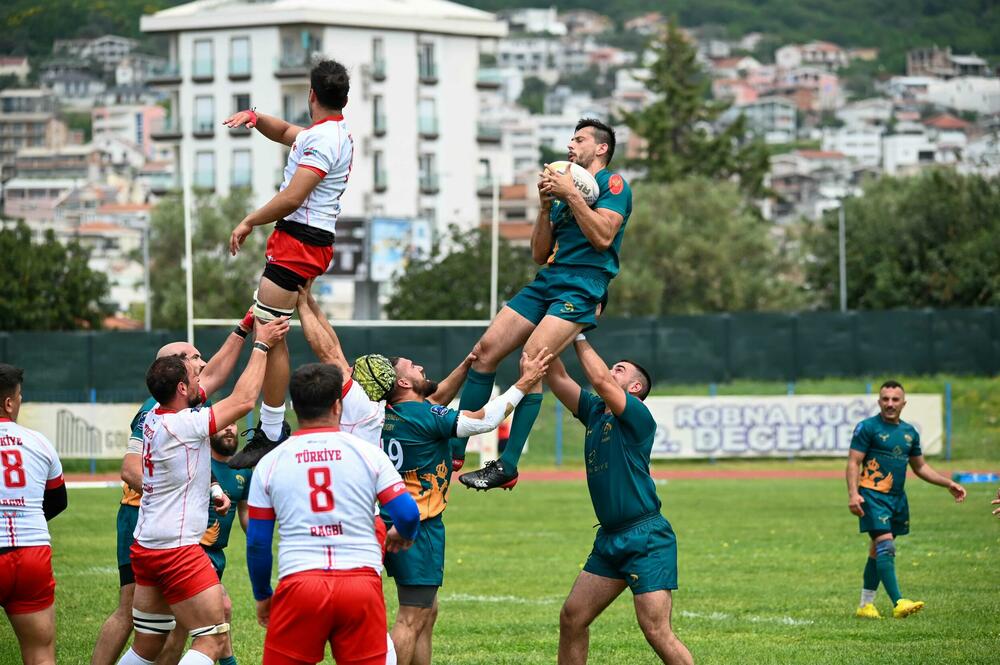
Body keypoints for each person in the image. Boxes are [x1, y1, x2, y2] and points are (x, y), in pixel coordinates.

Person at [456, 118, 632, 491]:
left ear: (601, 148)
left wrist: (569, 194)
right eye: (570, 139)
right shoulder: (564, 190)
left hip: (582, 285)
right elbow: (539, 254)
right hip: (548, 280)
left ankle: (508, 463)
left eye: (579, 139)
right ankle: (454, 447)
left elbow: (603, 237)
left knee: (532, 358)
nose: (571, 145)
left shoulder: (612, 184)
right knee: (483, 351)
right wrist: (543, 206)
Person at [115, 316, 289, 665]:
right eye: (194, 376)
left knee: (147, 645)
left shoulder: (152, 418)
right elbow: (242, 400)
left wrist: (243, 328)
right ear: (181, 388)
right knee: (212, 638)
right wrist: (261, 344)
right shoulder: (185, 423)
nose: (202, 377)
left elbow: (212, 380)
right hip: (176, 549)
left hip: (147, 545)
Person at [222, 59, 354, 469]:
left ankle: (272, 430)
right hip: (305, 240)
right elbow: (284, 132)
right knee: (273, 328)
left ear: (311, 95)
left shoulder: (321, 142)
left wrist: (248, 220)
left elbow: (294, 197)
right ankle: (273, 427)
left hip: (300, 240)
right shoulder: (329, 133)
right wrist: (256, 117)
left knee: (271, 332)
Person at [382, 348, 552, 665]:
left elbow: (438, 396)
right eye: (412, 365)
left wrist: (464, 368)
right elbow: (484, 420)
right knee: (411, 618)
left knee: (427, 612)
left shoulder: (391, 413)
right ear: (404, 382)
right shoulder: (425, 416)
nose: (419, 364)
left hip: (389, 518)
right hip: (417, 526)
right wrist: (526, 381)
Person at [245, 363, 421, 665]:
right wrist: (403, 533)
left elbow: (258, 542)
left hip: (300, 584)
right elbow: (407, 513)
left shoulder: (271, 462)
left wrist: (263, 595)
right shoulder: (368, 454)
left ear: (293, 406)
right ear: (338, 405)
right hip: (360, 585)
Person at [545, 337, 692, 665]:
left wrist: (578, 333)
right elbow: (555, 377)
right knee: (572, 618)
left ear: (635, 387)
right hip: (610, 539)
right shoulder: (596, 411)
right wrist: (549, 326)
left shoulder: (638, 415)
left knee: (656, 629)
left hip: (646, 538)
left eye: (619, 369)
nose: (611, 370)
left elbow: (599, 379)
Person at [847, 380, 967, 620]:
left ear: (904, 402)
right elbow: (853, 462)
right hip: (872, 495)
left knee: (877, 551)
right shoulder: (867, 427)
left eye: (895, 399)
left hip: (897, 499)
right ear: (879, 401)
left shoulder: (909, 433)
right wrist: (853, 494)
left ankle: (865, 605)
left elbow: (920, 467)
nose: (890, 404)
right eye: (885, 399)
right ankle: (899, 601)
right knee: (885, 545)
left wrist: (948, 483)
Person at [156, 423, 251, 665]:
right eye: (223, 425)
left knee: (180, 630)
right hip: (190, 550)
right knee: (222, 607)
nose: (229, 429)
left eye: (233, 424)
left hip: (217, 556)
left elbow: (246, 516)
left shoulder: (243, 472)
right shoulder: (196, 463)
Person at [0, 364, 68, 665]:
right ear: (9, 402)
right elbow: (58, 500)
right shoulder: (39, 442)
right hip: (32, 554)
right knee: (40, 654)